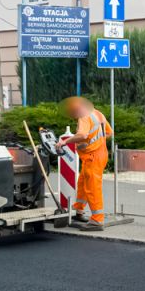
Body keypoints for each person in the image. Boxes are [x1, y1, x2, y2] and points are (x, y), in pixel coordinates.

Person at [59, 97, 112, 230]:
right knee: (82, 183)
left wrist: (65, 142)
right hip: (99, 155)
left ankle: (97, 220)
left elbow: (82, 135)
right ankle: (79, 211)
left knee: (93, 187)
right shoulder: (98, 114)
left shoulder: (83, 117)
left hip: (92, 157)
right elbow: (109, 133)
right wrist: (94, 141)